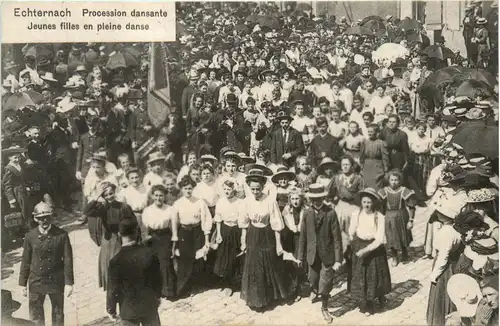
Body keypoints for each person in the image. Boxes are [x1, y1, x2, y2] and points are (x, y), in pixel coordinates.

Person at [239, 169, 290, 310]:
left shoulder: (270, 201)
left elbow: (276, 224)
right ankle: (256, 299)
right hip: (253, 234)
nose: (255, 192)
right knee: (254, 265)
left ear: (262, 187)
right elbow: (244, 223)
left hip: (267, 234)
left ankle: (269, 297)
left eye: (258, 189)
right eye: (253, 189)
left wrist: (279, 245)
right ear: (249, 188)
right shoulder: (246, 202)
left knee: (268, 263)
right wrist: (243, 241)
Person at [19, 201, 74, 326]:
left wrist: (69, 283)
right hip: (36, 280)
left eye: (47, 218)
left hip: (55, 280)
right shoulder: (30, 236)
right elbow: (25, 260)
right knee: (36, 316)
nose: (44, 221)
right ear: (35, 219)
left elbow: (68, 260)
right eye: (40, 218)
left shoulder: (61, 235)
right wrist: (22, 283)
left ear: (51, 217)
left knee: (58, 314)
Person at [298, 184, 343, 323]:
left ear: (323, 198)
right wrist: (300, 256)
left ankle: (324, 307)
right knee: (313, 279)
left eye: (320, 199)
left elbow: (337, 238)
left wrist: (338, 259)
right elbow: (303, 236)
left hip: (327, 254)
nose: (317, 201)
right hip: (312, 255)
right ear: (310, 199)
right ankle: (314, 289)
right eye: (314, 199)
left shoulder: (330, 213)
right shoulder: (306, 213)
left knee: (326, 282)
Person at [107, 218, 163, 326]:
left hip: (128, 311)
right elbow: (158, 278)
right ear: (136, 232)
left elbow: (113, 289)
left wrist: (111, 309)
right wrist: (158, 296)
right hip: (149, 306)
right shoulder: (149, 253)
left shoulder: (115, 261)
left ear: (119, 234)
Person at [84, 182, 137, 290]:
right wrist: (97, 195)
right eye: (106, 195)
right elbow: (86, 211)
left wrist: (124, 230)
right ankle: (111, 287)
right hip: (108, 240)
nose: (109, 197)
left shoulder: (124, 206)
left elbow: (133, 222)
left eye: (111, 193)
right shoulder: (102, 208)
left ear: (115, 192)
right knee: (108, 263)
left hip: (122, 239)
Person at [348, 188, 391, 316]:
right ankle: (367, 303)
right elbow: (351, 231)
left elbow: (379, 239)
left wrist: (365, 250)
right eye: (364, 202)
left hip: (374, 249)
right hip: (359, 246)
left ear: (374, 203)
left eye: (369, 202)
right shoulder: (356, 214)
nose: (366, 205)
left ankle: (379, 298)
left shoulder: (379, 217)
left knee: (375, 276)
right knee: (361, 275)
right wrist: (352, 240)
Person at [171, 175, 213, 297]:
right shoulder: (177, 204)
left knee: (198, 258)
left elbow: (206, 220)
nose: (188, 191)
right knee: (185, 259)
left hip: (197, 232)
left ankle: (197, 284)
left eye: (190, 188)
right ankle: (184, 287)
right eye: (185, 188)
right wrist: (175, 239)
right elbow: (174, 223)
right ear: (181, 189)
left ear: (193, 188)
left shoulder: (199, 202)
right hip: (184, 232)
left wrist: (206, 240)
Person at [378, 169, 416, 266]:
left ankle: (404, 253)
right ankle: (394, 256)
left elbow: (411, 207)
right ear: (388, 180)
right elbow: (378, 204)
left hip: (401, 215)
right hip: (389, 217)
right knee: (391, 237)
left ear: (400, 181)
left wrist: (411, 220)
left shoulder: (404, 190)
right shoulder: (384, 191)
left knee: (403, 235)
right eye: (392, 180)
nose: (394, 182)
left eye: (396, 180)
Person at [213, 179, 244, 296]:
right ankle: (225, 283)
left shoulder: (240, 202)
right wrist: (219, 234)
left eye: (229, 189)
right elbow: (218, 219)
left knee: (235, 256)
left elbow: (242, 220)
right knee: (224, 257)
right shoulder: (221, 202)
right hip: (225, 230)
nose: (227, 191)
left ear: (234, 190)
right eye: (225, 189)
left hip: (236, 230)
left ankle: (234, 284)